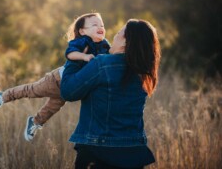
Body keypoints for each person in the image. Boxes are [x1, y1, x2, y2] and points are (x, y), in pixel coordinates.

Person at [0, 13, 110, 141]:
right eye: (95, 25)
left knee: (52, 108)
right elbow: (70, 54)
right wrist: (84, 56)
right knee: (31, 90)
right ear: (82, 31)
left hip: (69, 89)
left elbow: (111, 56)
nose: (100, 27)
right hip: (57, 80)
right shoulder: (82, 41)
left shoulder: (104, 45)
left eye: (102, 25)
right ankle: (3, 96)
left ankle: (34, 122)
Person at [60, 19, 161, 168]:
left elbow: (68, 91)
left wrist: (75, 58)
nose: (113, 37)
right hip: (133, 153)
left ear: (125, 43)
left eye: (119, 34)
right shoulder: (143, 73)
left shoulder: (102, 64)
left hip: (98, 152)